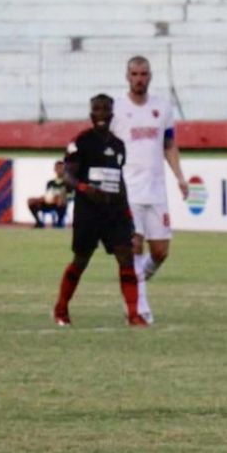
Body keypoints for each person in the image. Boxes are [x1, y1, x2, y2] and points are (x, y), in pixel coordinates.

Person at [52, 95, 146, 327]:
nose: (101, 113)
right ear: (91, 113)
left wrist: (129, 215)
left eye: (106, 109)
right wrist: (85, 188)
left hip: (114, 212)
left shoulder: (118, 145)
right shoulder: (80, 142)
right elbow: (68, 175)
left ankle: (134, 314)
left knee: (126, 258)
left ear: (112, 114)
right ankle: (61, 308)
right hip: (89, 212)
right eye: (97, 109)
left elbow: (119, 180)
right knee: (81, 260)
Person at [111, 55, 189, 325]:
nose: (139, 79)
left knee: (160, 252)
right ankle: (139, 307)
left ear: (150, 76)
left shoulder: (162, 108)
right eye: (134, 74)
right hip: (128, 191)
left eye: (143, 74)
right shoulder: (117, 109)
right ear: (127, 76)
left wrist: (180, 177)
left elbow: (169, 145)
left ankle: (134, 281)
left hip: (156, 191)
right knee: (134, 244)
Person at [27, 160, 70, 228]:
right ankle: (39, 222)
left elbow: (70, 195)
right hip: (50, 202)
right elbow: (48, 194)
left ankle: (59, 222)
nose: (59, 170)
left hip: (61, 204)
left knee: (61, 200)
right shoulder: (50, 183)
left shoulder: (68, 182)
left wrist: (61, 197)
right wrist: (42, 199)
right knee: (31, 201)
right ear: (54, 169)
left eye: (61, 168)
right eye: (57, 168)